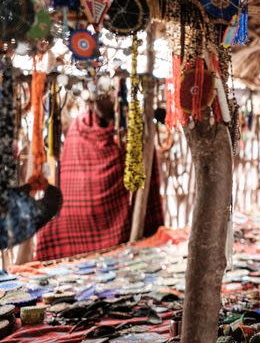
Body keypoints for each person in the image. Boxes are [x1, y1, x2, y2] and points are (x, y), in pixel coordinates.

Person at [35, 95, 164, 261]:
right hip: (76, 231)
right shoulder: (78, 129)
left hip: (124, 234)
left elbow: (145, 190)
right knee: (49, 238)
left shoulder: (134, 131)